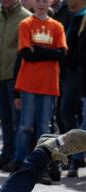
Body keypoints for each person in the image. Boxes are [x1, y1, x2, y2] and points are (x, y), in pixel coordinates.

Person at [12, 0, 67, 179]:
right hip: (28, 83)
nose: (41, 4)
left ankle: (41, 166)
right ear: (33, 3)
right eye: (38, 0)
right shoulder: (26, 24)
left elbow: (62, 54)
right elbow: (26, 54)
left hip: (49, 84)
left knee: (45, 128)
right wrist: (49, 53)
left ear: (49, 2)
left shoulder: (57, 26)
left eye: (44, 0)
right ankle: (19, 163)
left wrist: (38, 50)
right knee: (26, 126)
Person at [0, 0, 30, 170]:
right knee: (5, 119)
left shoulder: (26, 18)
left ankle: (17, 158)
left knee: (18, 121)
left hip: (15, 78)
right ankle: (6, 154)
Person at [59, 0, 86, 177]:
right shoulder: (71, 16)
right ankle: (74, 156)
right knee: (66, 113)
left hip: (78, 74)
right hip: (68, 73)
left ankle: (76, 157)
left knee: (70, 112)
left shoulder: (82, 17)